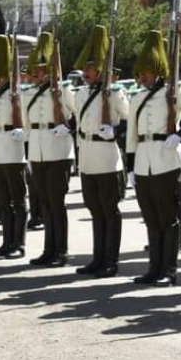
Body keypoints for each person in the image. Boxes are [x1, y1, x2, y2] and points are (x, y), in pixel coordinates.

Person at [128, 30, 181, 286]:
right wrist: (131, 166)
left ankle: (169, 269)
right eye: (141, 71)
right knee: (151, 217)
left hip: (166, 159)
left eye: (148, 71)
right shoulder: (137, 97)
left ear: (159, 70)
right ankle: (154, 267)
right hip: (144, 160)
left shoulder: (176, 92)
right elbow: (131, 134)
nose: (143, 76)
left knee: (168, 217)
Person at [72, 26, 129, 276]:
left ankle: (111, 261)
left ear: (101, 70)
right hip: (87, 156)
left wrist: (115, 132)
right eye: (85, 68)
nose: (85, 73)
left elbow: (130, 120)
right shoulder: (81, 93)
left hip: (106, 157)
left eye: (90, 69)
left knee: (109, 210)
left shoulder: (116, 92)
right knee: (95, 209)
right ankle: (97, 258)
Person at [23, 32, 75, 266]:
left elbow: (78, 114)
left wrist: (68, 127)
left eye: (38, 71)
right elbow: (25, 124)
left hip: (58, 151)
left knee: (56, 202)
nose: (34, 75)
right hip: (37, 151)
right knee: (44, 202)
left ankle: (61, 251)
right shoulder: (29, 94)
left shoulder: (63, 89)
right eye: (32, 72)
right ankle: (48, 249)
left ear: (47, 70)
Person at [0, 36, 28, 258]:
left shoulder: (19, 94)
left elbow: (30, 121)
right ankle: (6, 241)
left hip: (13, 149)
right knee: (2, 201)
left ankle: (19, 244)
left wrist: (23, 132)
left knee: (18, 199)